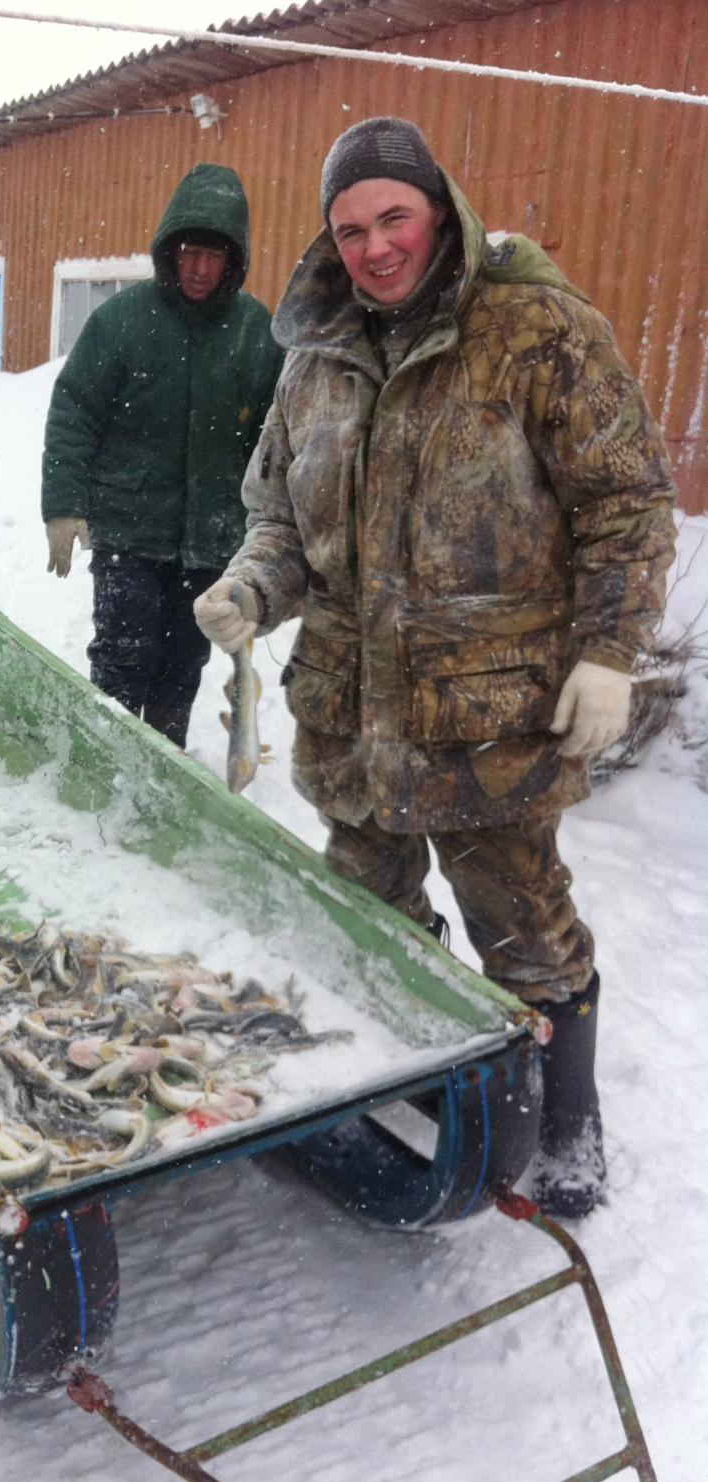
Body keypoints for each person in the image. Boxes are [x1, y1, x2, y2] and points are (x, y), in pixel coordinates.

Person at [195, 118, 676, 1217]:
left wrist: (607, 654)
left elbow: (626, 504)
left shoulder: (532, 329)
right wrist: (250, 589)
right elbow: (281, 513)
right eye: (350, 227)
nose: (373, 246)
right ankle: (434, 1079)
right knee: (372, 913)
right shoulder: (314, 355)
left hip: (489, 721)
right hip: (351, 713)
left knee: (523, 924)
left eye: (392, 217)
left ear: (438, 209)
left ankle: (564, 1125)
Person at [41, 163, 282, 749]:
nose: (200, 269)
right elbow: (75, 413)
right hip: (129, 533)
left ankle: (163, 761)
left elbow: (278, 438)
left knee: (182, 663)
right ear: (170, 251)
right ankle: (108, 759)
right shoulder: (122, 324)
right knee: (123, 655)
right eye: (190, 252)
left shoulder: (254, 331)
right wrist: (63, 506)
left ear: (234, 261)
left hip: (210, 538)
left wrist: (270, 528)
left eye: (214, 256)